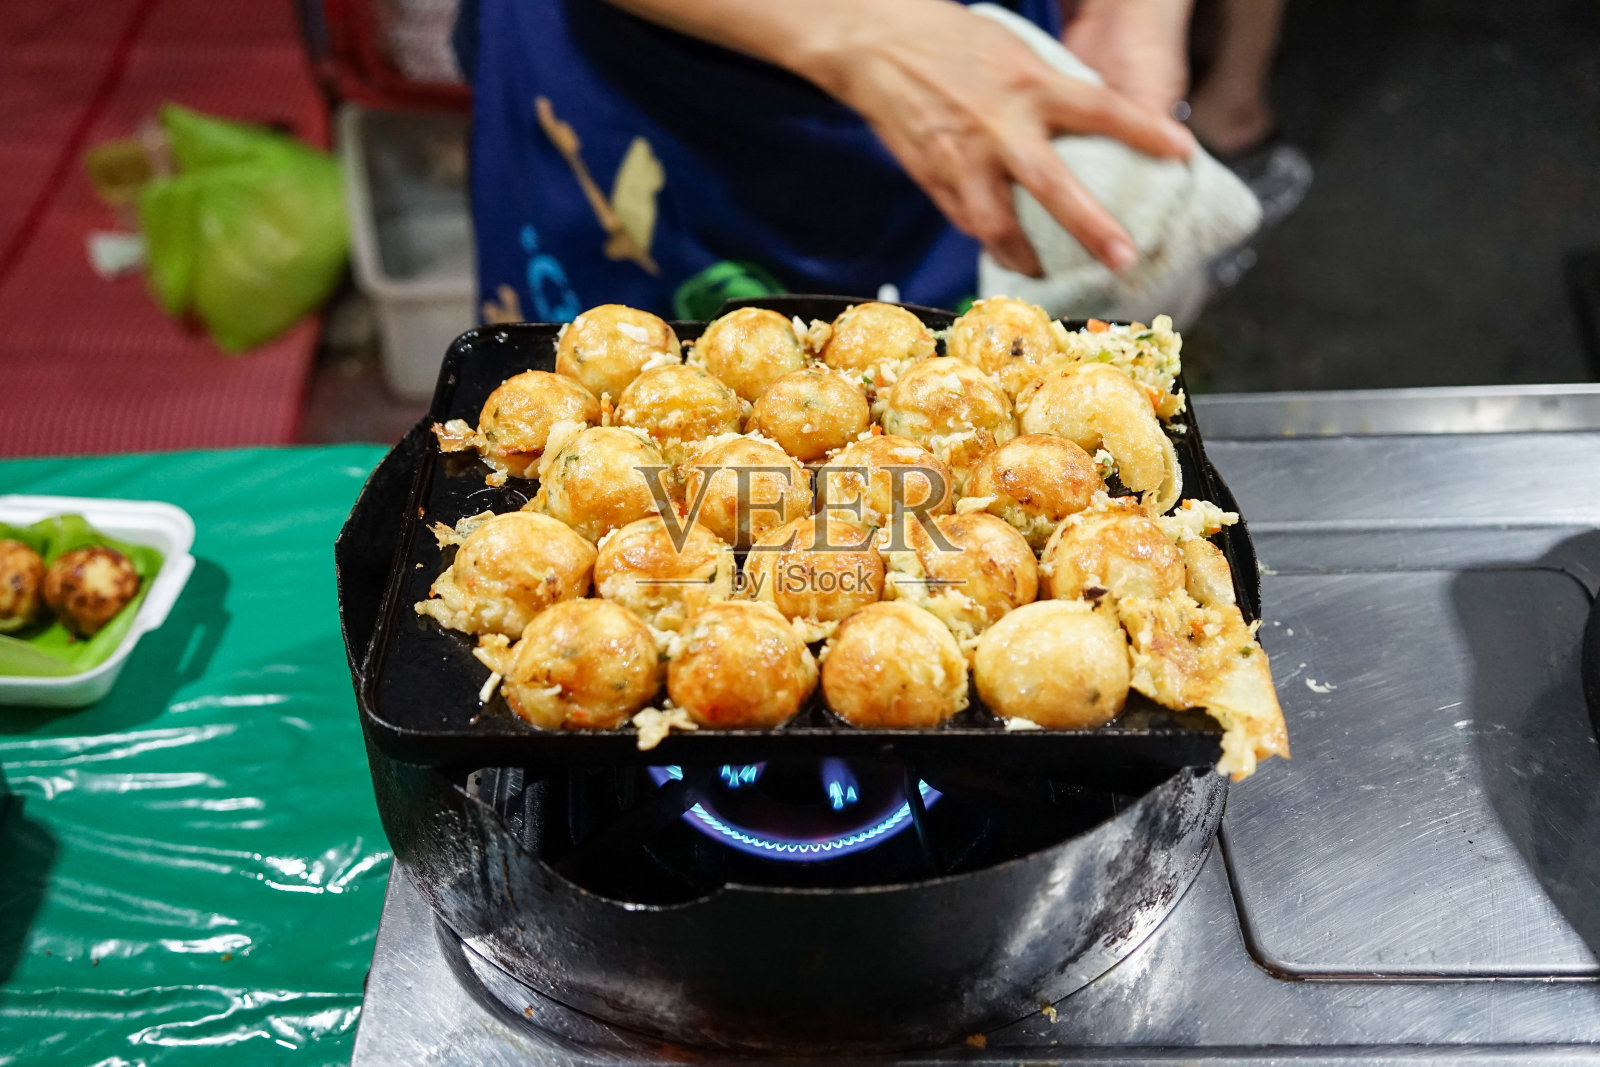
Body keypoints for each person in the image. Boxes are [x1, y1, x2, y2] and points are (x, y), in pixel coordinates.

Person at [457, 0, 1196, 321]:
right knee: (635, 481)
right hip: (648, 94)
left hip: (983, 67)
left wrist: (1129, 12)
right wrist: (852, 30)